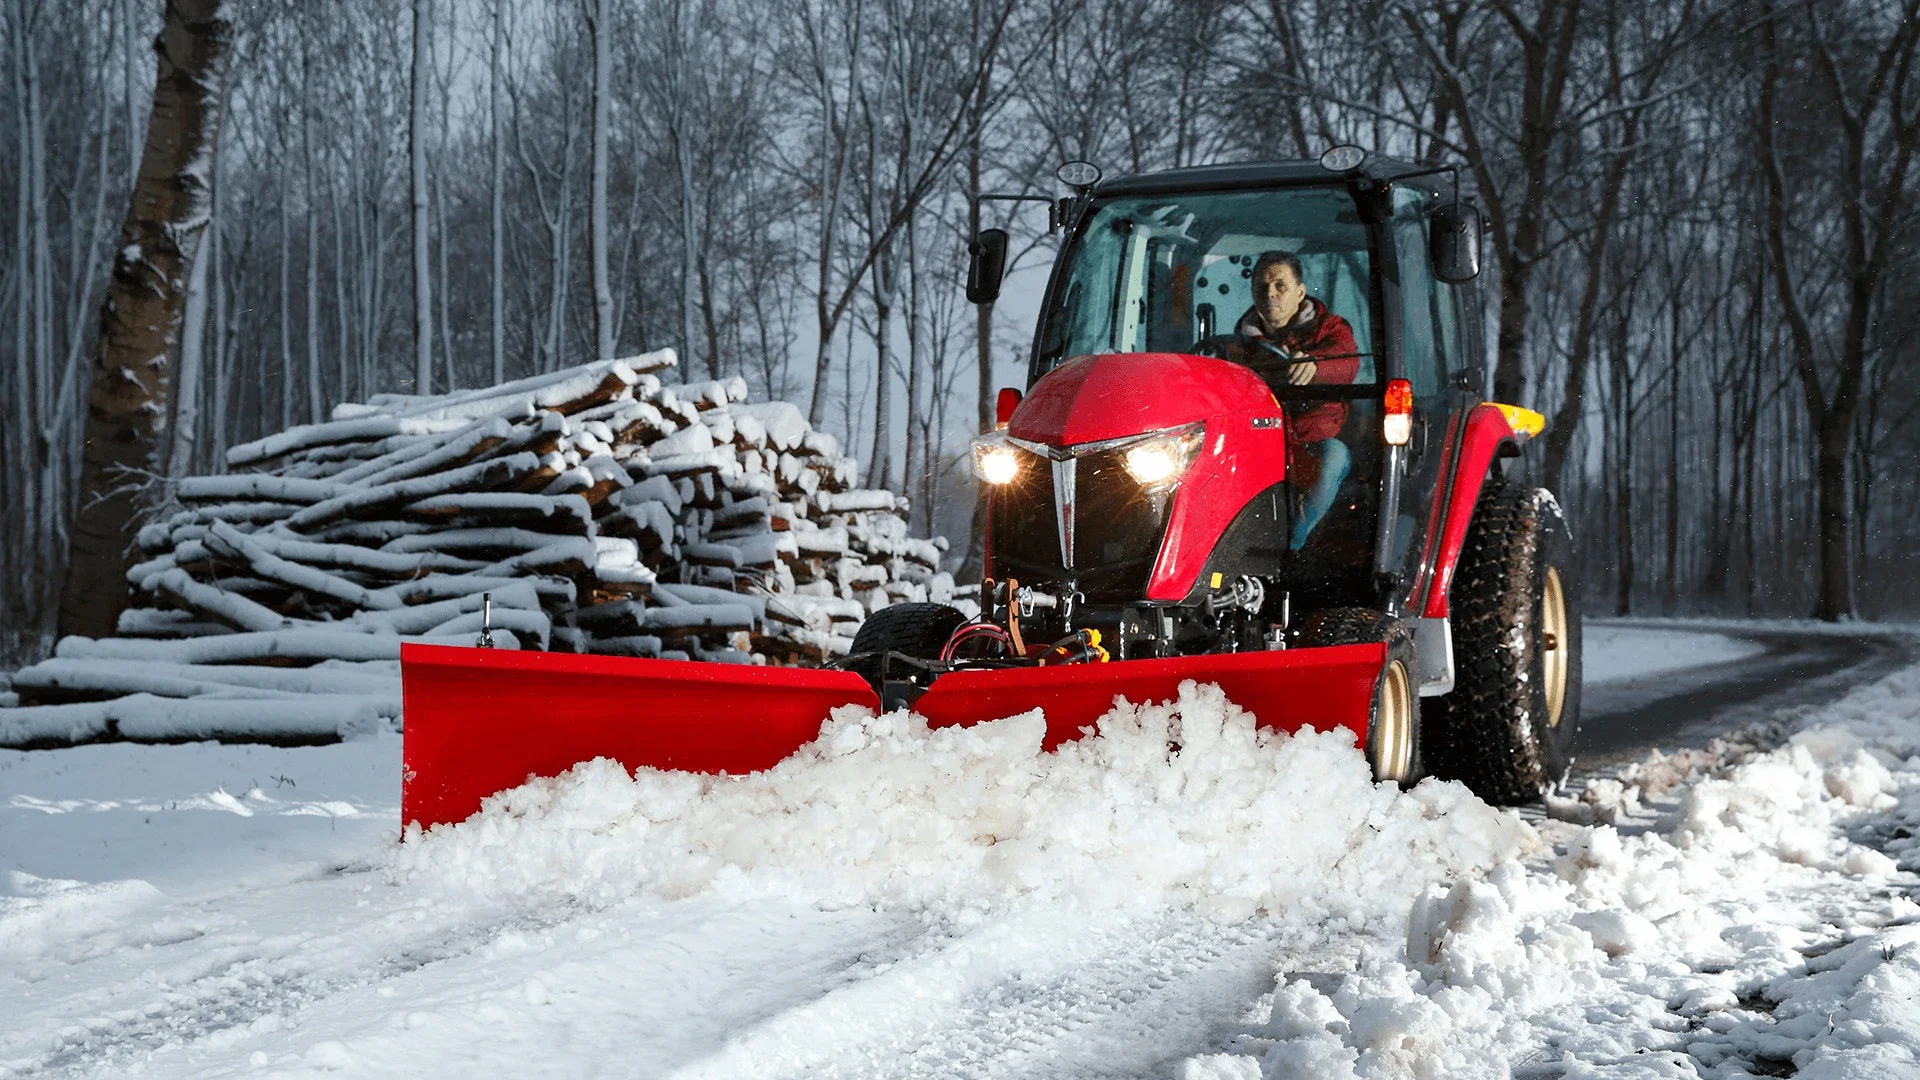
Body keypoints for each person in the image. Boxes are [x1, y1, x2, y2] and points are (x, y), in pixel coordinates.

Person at [1231, 250, 1358, 549]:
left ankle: (1292, 545)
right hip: (1261, 439)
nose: (1270, 294)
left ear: (1300, 292)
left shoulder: (1329, 328)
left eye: (1280, 286)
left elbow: (1346, 361)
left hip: (1312, 442)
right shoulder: (1240, 342)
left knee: (1334, 457)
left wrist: (1315, 365)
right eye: (1262, 287)